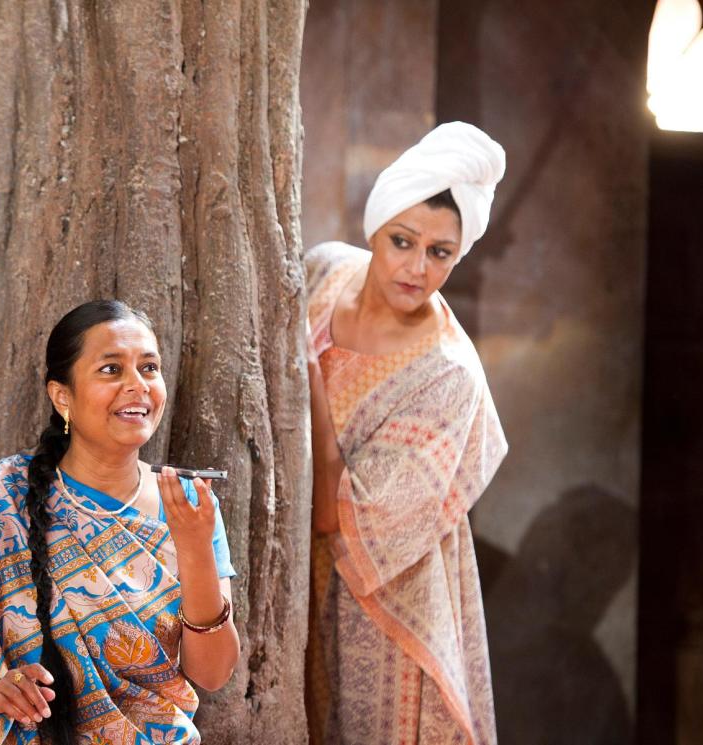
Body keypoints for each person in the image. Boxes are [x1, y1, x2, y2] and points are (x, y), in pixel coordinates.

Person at [0, 300, 240, 744]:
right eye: (110, 370)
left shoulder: (189, 507)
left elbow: (212, 674)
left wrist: (197, 549)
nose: (137, 386)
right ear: (62, 396)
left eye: (149, 367)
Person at [304, 122, 509, 745]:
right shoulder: (325, 272)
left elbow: (335, 516)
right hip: (291, 583)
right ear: (376, 226)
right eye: (402, 240)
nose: (416, 268)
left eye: (440, 253)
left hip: (384, 611)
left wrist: (308, 376)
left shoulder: (447, 376)